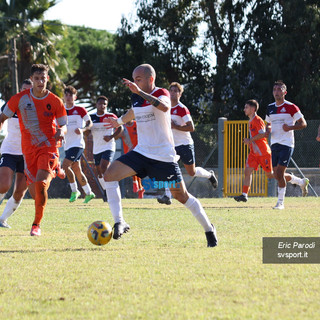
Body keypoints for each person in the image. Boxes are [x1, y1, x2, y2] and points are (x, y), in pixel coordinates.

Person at [104, 64, 217, 247]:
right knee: (109, 175)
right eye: (134, 79)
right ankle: (120, 221)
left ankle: (209, 229)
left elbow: (164, 107)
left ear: (151, 79)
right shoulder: (136, 96)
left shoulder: (161, 92)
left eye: (138, 79)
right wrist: (118, 121)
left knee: (182, 196)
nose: (135, 82)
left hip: (163, 156)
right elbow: (133, 112)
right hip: (141, 152)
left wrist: (140, 92)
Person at [0, 64, 67, 236]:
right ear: (31, 80)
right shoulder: (18, 99)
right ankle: (56, 168)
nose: (40, 82)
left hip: (49, 147)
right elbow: (2, 117)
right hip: (27, 152)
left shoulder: (55, 101)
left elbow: (63, 125)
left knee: (41, 185)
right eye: (36, 79)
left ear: (47, 79)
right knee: (33, 192)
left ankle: (36, 225)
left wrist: (61, 131)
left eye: (43, 78)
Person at [234, 99, 308, 203]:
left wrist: (249, 140)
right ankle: (244, 195)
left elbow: (263, 134)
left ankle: (300, 181)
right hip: (254, 153)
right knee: (247, 171)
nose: (244, 109)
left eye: (246, 107)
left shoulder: (257, 120)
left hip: (263, 153)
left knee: (273, 175)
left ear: (253, 109)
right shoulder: (250, 120)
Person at [157, 82, 218, 205]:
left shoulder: (182, 108)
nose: (172, 93)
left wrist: (176, 126)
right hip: (171, 144)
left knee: (192, 172)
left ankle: (209, 175)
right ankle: (167, 196)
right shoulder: (166, 108)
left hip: (185, 144)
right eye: (171, 90)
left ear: (180, 94)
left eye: (175, 91)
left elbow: (191, 127)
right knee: (168, 168)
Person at [265, 81, 308, 210]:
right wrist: (268, 129)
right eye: (274, 89)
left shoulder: (291, 107)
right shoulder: (270, 107)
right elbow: (268, 123)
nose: (276, 91)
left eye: (279, 89)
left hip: (287, 144)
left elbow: (303, 123)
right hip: (275, 143)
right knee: (277, 174)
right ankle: (300, 182)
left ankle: (280, 203)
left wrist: (289, 127)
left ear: (285, 92)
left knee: (279, 172)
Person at [0, 80, 33, 228]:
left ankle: (2, 220)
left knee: (20, 191)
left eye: (29, 90)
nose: (26, 92)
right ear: (20, 90)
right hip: (10, 150)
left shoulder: (37, 108)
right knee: (4, 185)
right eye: (24, 89)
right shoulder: (12, 103)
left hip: (28, 154)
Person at [62, 85, 95, 203]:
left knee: (65, 166)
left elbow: (89, 123)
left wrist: (82, 130)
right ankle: (89, 192)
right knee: (77, 170)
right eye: (66, 95)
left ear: (75, 97)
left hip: (77, 144)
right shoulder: (61, 110)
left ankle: (75, 190)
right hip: (67, 144)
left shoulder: (80, 109)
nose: (68, 97)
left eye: (71, 95)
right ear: (64, 97)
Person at [89, 96, 123, 193]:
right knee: (99, 172)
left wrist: (111, 137)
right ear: (96, 104)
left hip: (108, 146)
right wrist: (86, 132)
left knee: (104, 166)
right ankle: (106, 191)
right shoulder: (91, 117)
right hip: (97, 148)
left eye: (104, 104)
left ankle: (111, 189)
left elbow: (120, 128)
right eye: (100, 103)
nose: (102, 106)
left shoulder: (110, 116)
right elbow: (87, 130)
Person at [119, 120, 145, 199]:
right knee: (132, 169)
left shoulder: (138, 124)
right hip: (128, 150)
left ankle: (136, 183)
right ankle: (140, 188)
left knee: (136, 168)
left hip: (139, 149)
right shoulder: (123, 127)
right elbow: (118, 135)